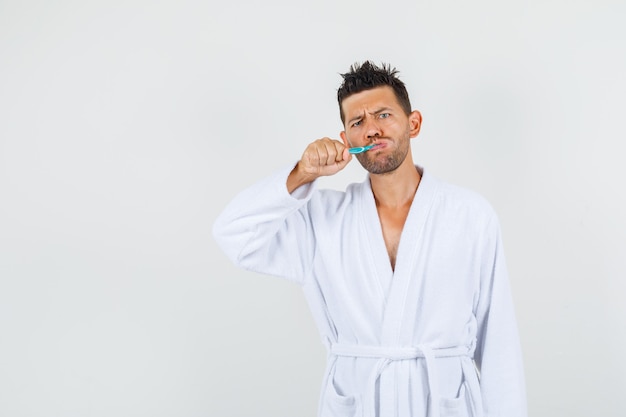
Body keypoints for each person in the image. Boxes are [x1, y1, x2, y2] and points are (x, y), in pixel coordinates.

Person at [212, 61, 527, 417]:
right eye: (357, 122)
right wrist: (302, 173)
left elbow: (499, 342)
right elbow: (233, 234)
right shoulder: (321, 218)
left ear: (414, 123)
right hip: (358, 402)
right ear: (346, 140)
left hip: (444, 404)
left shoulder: (470, 215)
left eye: (383, 115)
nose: (372, 130)